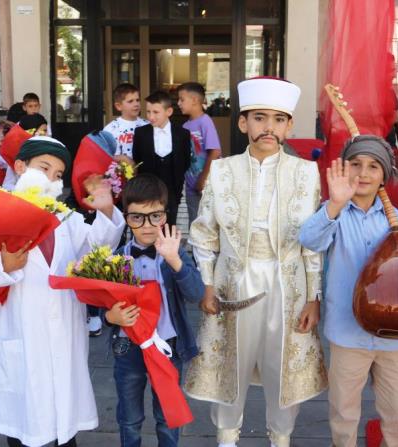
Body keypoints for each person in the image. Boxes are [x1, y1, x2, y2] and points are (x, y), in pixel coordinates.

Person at [184, 77, 327, 447]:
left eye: (278, 120)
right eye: (260, 118)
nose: (269, 127)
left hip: (287, 284)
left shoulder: (306, 173)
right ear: (243, 123)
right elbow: (204, 233)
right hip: (234, 280)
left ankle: (281, 438)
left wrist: (315, 296)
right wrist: (207, 284)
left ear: (289, 126)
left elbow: (311, 243)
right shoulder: (223, 170)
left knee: (282, 368)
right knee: (232, 362)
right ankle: (227, 438)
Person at [0, 137, 125, 447]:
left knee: (65, 417)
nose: (51, 178)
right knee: (26, 416)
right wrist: (4, 264)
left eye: (58, 173)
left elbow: (96, 251)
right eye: (44, 167)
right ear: (21, 167)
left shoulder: (64, 216)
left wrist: (105, 212)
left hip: (64, 325)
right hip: (24, 328)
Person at [299, 136, 398, 447]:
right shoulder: (335, 215)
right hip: (348, 334)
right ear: (343, 170)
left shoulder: (396, 223)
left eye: (373, 166)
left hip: (394, 337)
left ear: (384, 175)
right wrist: (336, 203)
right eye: (355, 164)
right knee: (344, 411)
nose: (364, 173)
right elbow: (309, 239)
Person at [106, 174, 204, 447]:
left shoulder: (176, 253)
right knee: (129, 416)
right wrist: (109, 317)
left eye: (155, 216)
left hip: (167, 346)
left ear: (165, 215)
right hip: (128, 347)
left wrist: (175, 261)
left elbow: (196, 293)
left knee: (167, 414)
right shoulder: (116, 257)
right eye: (137, 217)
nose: (147, 226)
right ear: (127, 218)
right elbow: (97, 301)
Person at [132, 91, 192, 226]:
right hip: (147, 190)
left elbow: (185, 161)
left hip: (172, 191)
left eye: (155, 112)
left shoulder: (182, 134)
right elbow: (137, 158)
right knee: (147, 224)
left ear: (169, 111)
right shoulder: (141, 133)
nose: (151, 116)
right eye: (148, 112)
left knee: (169, 224)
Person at [177, 82, 221, 225]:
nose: (178, 103)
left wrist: (203, 178)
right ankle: (195, 247)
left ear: (195, 100)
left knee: (208, 222)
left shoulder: (205, 122)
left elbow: (215, 151)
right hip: (191, 185)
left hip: (206, 184)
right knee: (194, 222)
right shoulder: (185, 126)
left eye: (182, 99)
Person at [103, 83, 148, 159]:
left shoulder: (147, 125)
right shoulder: (110, 129)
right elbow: (106, 156)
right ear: (118, 106)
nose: (136, 104)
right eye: (130, 101)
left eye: (137, 100)